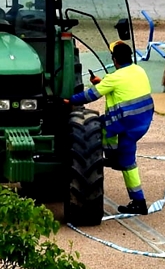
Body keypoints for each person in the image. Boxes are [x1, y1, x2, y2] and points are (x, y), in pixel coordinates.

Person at [65, 40, 155, 215]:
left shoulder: (113, 79)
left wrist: (70, 100)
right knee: (128, 161)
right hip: (142, 121)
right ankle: (138, 200)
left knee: (98, 126)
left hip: (126, 125)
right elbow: (119, 83)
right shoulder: (138, 70)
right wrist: (102, 81)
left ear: (114, 59)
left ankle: (112, 158)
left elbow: (90, 95)